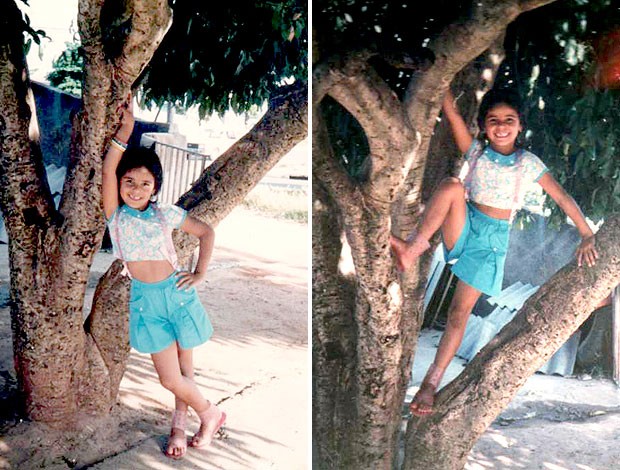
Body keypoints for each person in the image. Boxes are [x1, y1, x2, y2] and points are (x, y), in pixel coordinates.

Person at [391, 87, 599, 416]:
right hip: (464, 224)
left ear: (520, 126)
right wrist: (442, 86)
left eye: (509, 120)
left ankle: (430, 383)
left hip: (490, 243)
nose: (501, 126)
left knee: (458, 314)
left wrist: (587, 234)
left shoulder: (528, 163)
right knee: (451, 186)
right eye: (493, 121)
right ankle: (413, 249)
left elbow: (561, 198)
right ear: (484, 126)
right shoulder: (475, 153)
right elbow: (454, 118)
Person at [102, 96, 225, 459]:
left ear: (155, 187)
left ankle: (180, 426)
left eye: (144, 183)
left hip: (178, 293)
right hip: (146, 300)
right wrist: (125, 132)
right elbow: (108, 170)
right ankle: (212, 413)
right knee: (171, 377)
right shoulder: (116, 216)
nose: (136, 189)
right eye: (130, 181)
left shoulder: (164, 213)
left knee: (186, 371)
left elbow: (206, 232)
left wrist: (200, 273)